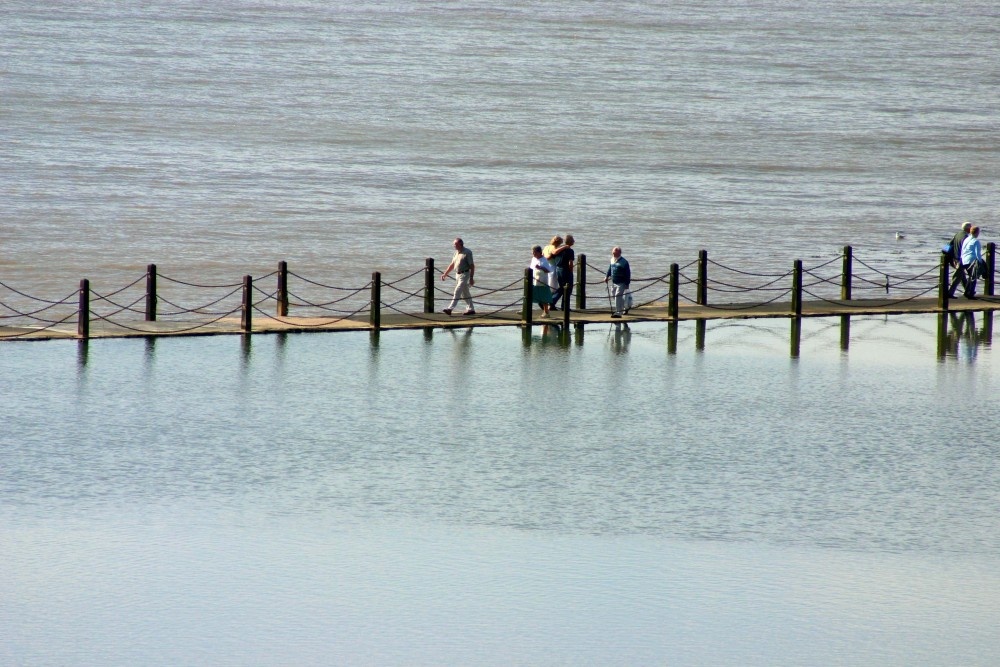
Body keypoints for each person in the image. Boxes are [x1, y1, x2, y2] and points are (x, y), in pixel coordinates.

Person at [440, 237, 475, 315]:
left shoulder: (467, 252)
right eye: (454, 244)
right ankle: (471, 309)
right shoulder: (456, 253)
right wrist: (445, 274)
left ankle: (450, 309)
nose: (454, 246)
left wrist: (471, 278)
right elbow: (452, 265)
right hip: (457, 275)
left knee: (457, 290)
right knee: (464, 293)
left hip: (465, 274)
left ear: (460, 244)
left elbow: (472, 266)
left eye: (455, 244)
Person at [550, 234, 575, 311]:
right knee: (568, 288)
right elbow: (570, 263)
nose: (574, 241)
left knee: (561, 287)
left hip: (558, 269)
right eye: (573, 239)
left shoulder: (558, 249)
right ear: (570, 242)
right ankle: (564, 306)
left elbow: (551, 256)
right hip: (566, 270)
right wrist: (571, 271)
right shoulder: (570, 251)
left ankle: (552, 301)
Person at [603, 246, 630, 318]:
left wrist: (627, 283)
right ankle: (625, 307)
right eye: (613, 251)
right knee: (614, 295)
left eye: (614, 251)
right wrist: (606, 276)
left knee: (618, 295)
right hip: (613, 282)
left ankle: (618, 312)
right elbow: (610, 269)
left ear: (619, 252)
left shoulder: (624, 262)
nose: (612, 252)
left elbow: (628, 273)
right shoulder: (612, 259)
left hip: (621, 282)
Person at [947, 221, 972, 298]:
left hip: (955, 259)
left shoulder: (957, 234)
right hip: (962, 260)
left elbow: (949, 244)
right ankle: (950, 293)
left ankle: (968, 291)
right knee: (958, 277)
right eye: (970, 228)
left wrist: (944, 251)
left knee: (962, 276)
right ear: (968, 229)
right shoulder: (966, 237)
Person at [529, 245, 554, 317]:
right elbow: (531, 268)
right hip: (534, 280)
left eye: (535, 252)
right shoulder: (533, 259)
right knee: (529, 295)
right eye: (533, 252)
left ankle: (546, 313)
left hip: (543, 281)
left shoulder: (544, 260)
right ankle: (525, 309)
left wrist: (541, 267)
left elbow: (548, 270)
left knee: (544, 297)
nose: (533, 254)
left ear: (540, 252)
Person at [960, 225, 984, 299]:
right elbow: (978, 254)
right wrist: (981, 263)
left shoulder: (966, 239)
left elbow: (963, 249)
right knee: (973, 277)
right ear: (977, 232)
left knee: (970, 277)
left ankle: (967, 292)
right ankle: (970, 294)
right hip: (972, 260)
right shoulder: (976, 241)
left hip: (964, 260)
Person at [542, 236, 563, 304]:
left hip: (546, 267)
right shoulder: (555, 249)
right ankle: (550, 302)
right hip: (553, 267)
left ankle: (547, 302)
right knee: (553, 287)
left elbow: (542, 256)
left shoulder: (546, 247)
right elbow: (550, 257)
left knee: (548, 284)